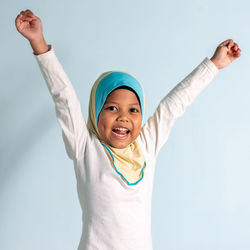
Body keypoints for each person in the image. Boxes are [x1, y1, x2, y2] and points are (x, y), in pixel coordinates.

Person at [15, 9, 241, 250]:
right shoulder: (85, 148)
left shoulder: (146, 145)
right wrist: (37, 41)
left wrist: (215, 64)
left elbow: (174, 104)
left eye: (133, 110)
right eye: (112, 108)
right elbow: (64, 98)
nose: (123, 117)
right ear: (96, 112)